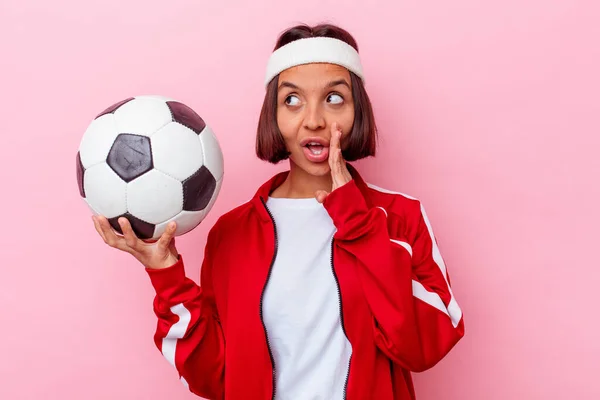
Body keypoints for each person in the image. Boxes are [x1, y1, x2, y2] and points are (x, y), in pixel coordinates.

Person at [92, 23, 465, 400]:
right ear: (273, 115)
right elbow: (213, 378)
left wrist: (355, 221)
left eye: (335, 98)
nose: (314, 119)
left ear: (359, 112)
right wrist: (166, 276)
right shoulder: (232, 234)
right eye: (292, 100)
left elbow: (424, 346)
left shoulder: (400, 217)